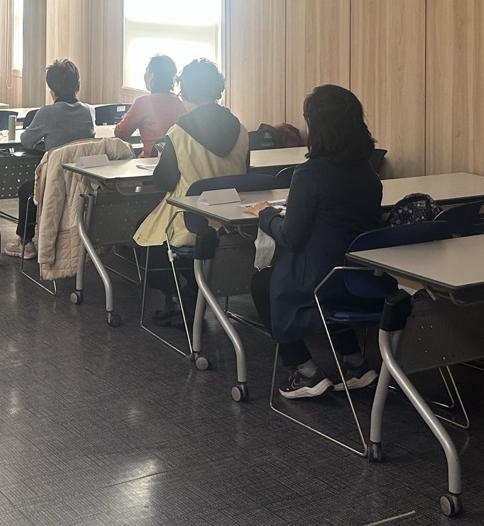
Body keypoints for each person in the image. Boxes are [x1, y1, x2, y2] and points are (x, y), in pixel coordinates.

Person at [242, 85, 383, 399]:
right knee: (329, 290)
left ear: (316, 126)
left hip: (321, 278)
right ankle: (354, 362)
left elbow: (291, 238)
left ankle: (304, 370)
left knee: (262, 283)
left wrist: (266, 214)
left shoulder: (310, 173)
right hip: (359, 276)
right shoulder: (366, 170)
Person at [132, 58, 248, 325]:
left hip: (189, 222)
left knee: (142, 236)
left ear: (184, 93)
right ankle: (194, 293)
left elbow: (165, 180)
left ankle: (185, 295)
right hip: (231, 221)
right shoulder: (241, 130)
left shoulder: (178, 133)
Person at [2, 59, 95, 260]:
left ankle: (25, 243)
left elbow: (26, 141)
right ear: (77, 84)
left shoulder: (47, 112)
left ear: (51, 88)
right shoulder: (88, 110)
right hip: (82, 180)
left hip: (56, 181)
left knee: (27, 190)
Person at [114, 54, 187, 156]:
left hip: (151, 162)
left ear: (151, 76)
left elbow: (120, 134)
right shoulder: (180, 102)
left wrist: (125, 118)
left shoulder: (143, 103)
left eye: (146, 72)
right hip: (177, 161)